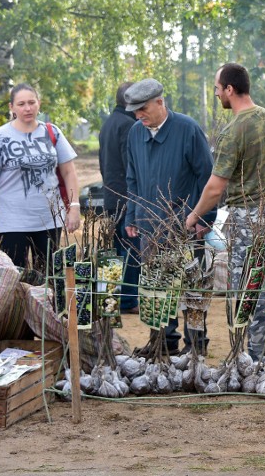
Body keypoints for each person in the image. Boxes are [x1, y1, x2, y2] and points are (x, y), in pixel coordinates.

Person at [186, 62, 265, 362]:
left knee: (248, 287)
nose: (217, 94)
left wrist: (194, 216)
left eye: (218, 89)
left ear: (230, 90)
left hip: (249, 217)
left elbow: (216, 187)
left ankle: (257, 359)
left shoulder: (234, 129)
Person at [124, 78, 215, 355]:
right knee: (157, 289)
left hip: (186, 226)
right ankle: (164, 343)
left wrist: (204, 218)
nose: (138, 116)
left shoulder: (188, 129)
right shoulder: (135, 134)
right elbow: (132, 178)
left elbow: (208, 176)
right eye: (135, 111)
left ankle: (196, 346)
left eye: (143, 109)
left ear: (160, 102)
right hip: (149, 225)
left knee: (192, 289)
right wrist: (131, 215)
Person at [0, 84, 81, 270]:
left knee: (49, 275)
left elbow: (68, 172)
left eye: (32, 102)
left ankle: (49, 301)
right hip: (11, 221)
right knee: (17, 277)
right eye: (21, 104)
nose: (27, 108)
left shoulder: (52, 132)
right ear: (12, 107)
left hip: (49, 219)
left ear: (39, 104)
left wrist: (74, 206)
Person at [98, 81, 140, 313]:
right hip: (127, 197)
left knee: (115, 249)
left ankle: (111, 301)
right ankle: (127, 300)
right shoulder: (128, 125)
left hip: (111, 196)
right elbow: (131, 166)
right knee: (131, 248)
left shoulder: (109, 124)